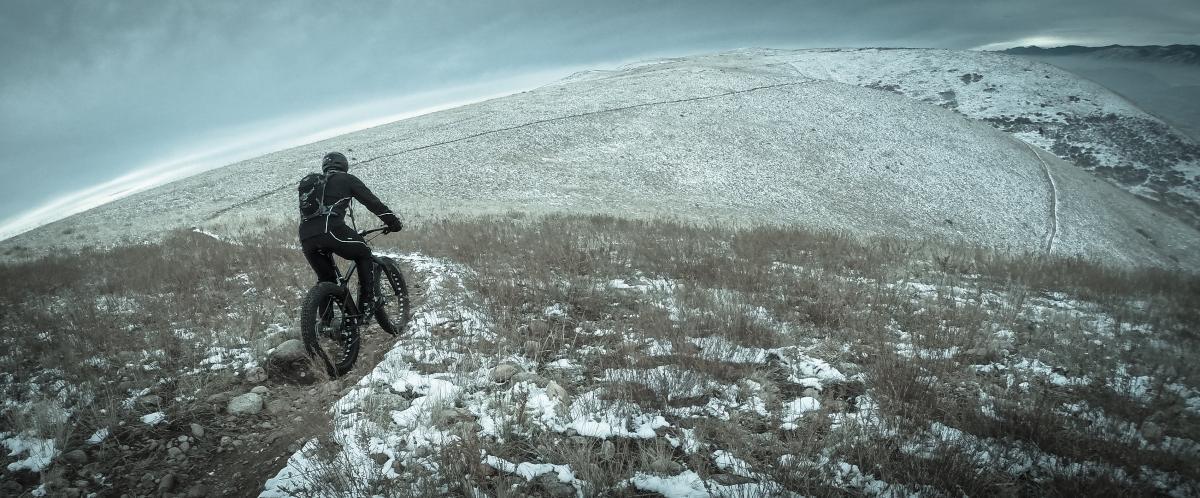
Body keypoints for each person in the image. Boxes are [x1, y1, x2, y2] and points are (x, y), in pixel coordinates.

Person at [299, 152, 403, 324]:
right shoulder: (346, 179)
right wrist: (392, 222)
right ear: (344, 165)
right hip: (332, 231)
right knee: (363, 253)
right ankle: (367, 303)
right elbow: (372, 202)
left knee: (326, 279)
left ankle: (327, 324)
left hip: (306, 237)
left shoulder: (314, 186)